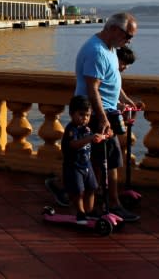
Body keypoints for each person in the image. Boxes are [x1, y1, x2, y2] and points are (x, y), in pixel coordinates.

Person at [46, 43, 137, 208]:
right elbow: (97, 90)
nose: (124, 68)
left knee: (95, 160)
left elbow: (115, 88)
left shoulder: (110, 63)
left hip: (105, 115)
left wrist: (125, 102)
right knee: (100, 160)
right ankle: (106, 201)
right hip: (101, 115)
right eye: (124, 64)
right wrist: (106, 114)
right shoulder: (100, 56)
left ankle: (90, 194)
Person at [75, 12, 140, 222]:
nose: (129, 41)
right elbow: (92, 88)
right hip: (97, 114)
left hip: (106, 111)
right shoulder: (97, 52)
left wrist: (123, 100)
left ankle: (100, 200)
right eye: (127, 35)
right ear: (113, 29)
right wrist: (102, 119)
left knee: (102, 160)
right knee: (108, 161)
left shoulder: (111, 49)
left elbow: (112, 79)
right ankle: (112, 204)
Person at [61, 95, 105, 224]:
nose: (85, 118)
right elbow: (73, 144)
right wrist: (90, 138)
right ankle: (80, 212)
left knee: (92, 188)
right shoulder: (71, 129)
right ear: (71, 114)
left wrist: (103, 136)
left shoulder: (86, 128)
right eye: (81, 115)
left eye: (87, 115)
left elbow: (93, 138)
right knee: (78, 191)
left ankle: (89, 210)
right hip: (74, 165)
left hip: (86, 164)